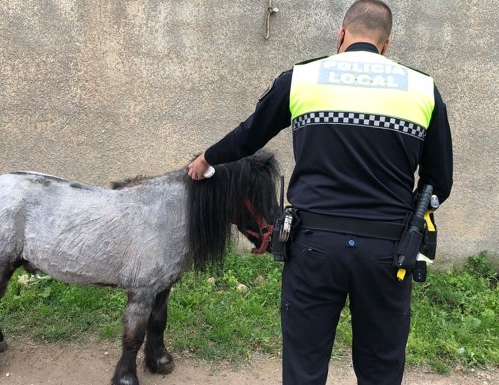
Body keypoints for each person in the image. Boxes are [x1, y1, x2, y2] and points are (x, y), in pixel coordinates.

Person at [188, 0, 453, 384]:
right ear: (387, 45)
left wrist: (207, 159)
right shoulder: (423, 89)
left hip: (314, 246)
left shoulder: (302, 78)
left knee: (304, 367)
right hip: (389, 253)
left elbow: (249, 135)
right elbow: (438, 183)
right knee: (381, 367)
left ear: (341, 34)